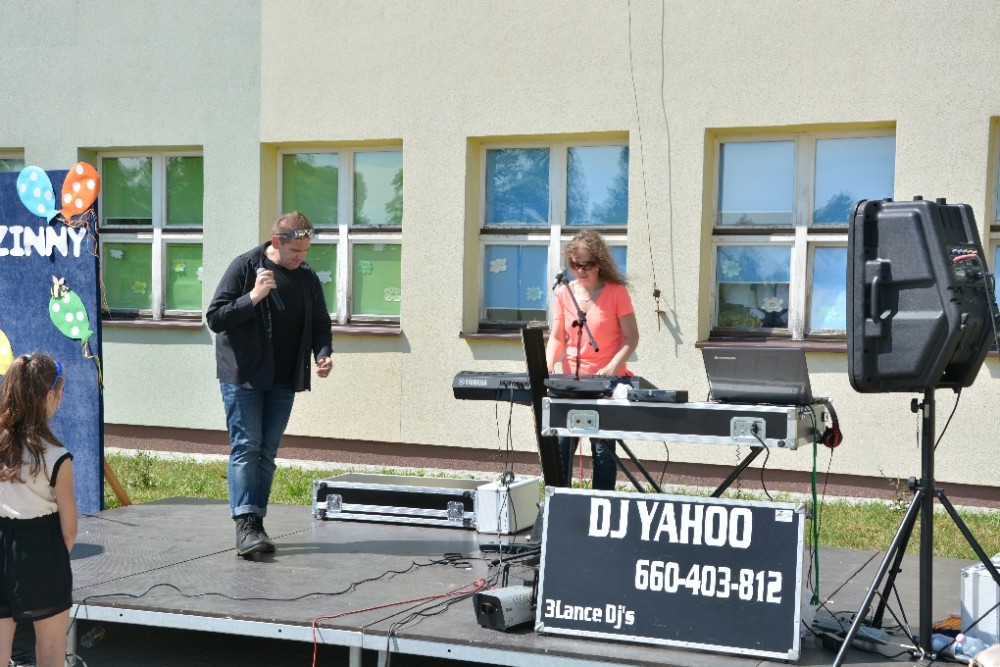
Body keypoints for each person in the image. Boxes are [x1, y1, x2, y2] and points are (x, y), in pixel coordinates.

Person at [207, 211, 333, 557]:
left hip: (283, 378)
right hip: (244, 375)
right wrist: (253, 297)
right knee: (247, 447)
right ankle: (245, 525)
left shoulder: (306, 277)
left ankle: (256, 524)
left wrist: (322, 353)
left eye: (306, 252)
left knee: (266, 452)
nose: (301, 258)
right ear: (276, 242)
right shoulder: (245, 267)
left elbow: (320, 323)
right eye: (296, 251)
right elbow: (215, 318)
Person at [545, 230, 639, 490]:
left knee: (602, 451)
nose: (580, 271)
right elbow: (557, 337)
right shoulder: (564, 293)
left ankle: (601, 503)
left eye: (587, 265)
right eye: (575, 265)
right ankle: (559, 502)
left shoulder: (616, 292)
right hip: (572, 382)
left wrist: (611, 367)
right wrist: (548, 364)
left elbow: (631, 337)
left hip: (606, 382)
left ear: (599, 263)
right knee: (561, 448)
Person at [0, 354, 76, 667]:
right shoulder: (57, 456)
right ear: (48, 397)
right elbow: (69, 528)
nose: (62, 396)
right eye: (60, 390)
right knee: (51, 646)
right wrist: (54, 560)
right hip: (41, 550)